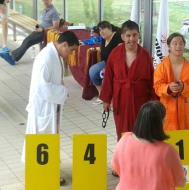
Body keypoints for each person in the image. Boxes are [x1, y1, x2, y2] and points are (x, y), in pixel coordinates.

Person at [21, 31, 79, 185]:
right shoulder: (46, 57)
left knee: (49, 138)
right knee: (42, 138)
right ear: (64, 44)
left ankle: (49, 169)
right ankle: (44, 172)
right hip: (43, 107)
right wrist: (63, 92)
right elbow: (42, 87)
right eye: (71, 50)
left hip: (51, 105)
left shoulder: (54, 55)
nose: (71, 54)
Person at [99, 20, 156, 140]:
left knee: (141, 132)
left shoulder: (145, 56)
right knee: (122, 131)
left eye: (134, 35)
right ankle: (124, 157)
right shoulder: (115, 54)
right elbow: (108, 77)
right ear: (122, 37)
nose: (131, 39)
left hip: (140, 100)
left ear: (138, 35)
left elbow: (152, 81)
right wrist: (106, 99)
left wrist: (154, 102)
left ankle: (139, 157)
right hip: (121, 100)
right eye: (128, 35)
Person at [112, 101, 185, 190]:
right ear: (161, 123)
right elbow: (180, 182)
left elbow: (116, 168)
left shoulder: (124, 140)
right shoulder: (167, 151)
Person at [154, 33, 189, 131]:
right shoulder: (162, 67)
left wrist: (183, 87)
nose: (178, 46)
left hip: (184, 111)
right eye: (175, 43)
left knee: (184, 141)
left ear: (184, 45)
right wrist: (168, 88)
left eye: (181, 43)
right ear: (169, 46)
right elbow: (157, 87)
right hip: (166, 111)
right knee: (167, 142)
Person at [0, 0, 60, 65]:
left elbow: (55, 27)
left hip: (45, 33)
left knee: (28, 41)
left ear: (51, 1)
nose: (44, 2)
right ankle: (12, 55)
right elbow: (42, 22)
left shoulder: (54, 12)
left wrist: (42, 29)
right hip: (40, 30)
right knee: (26, 40)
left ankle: (13, 58)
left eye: (46, 1)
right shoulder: (45, 10)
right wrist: (37, 27)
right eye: (43, 1)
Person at [89, 21, 123, 104]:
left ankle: (109, 99)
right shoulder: (104, 39)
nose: (101, 32)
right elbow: (104, 54)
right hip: (107, 62)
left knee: (106, 75)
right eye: (100, 30)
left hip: (117, 64)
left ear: (110, 28)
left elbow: (120, 55)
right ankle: (102, 94)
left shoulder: (118, 37)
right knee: (92, 71)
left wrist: (107, 67)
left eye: (103, 29)